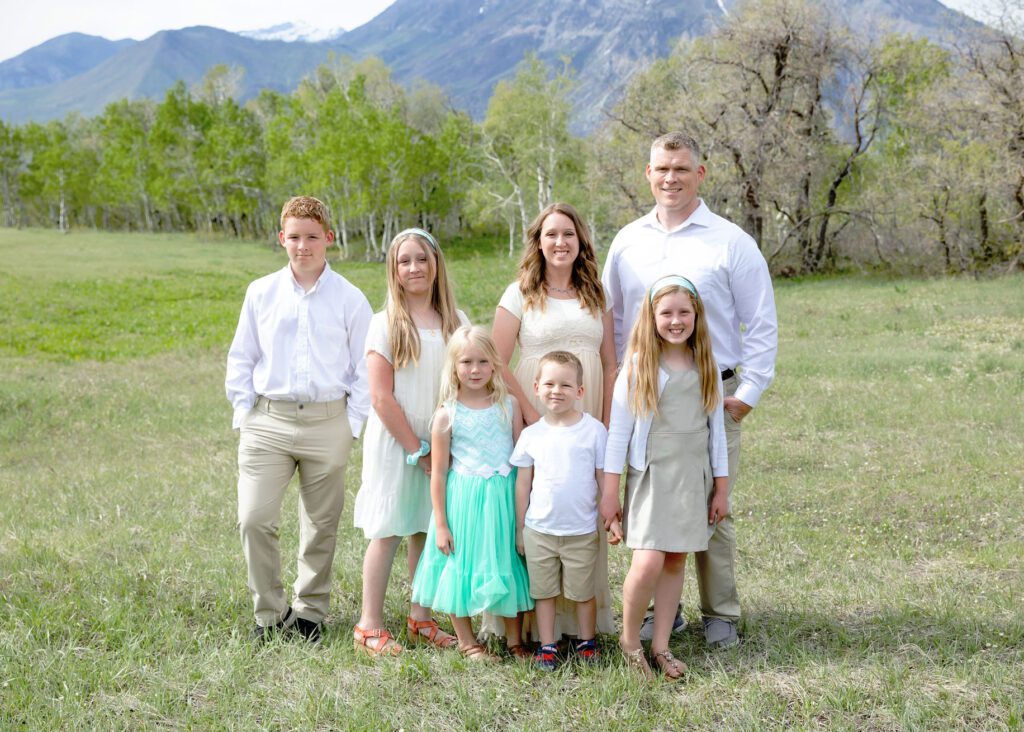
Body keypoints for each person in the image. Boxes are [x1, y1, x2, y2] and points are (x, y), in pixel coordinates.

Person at [601, 132, 778, 650]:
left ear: (700, 173)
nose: (670, 177)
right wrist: (618, 387)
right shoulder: (628, 241)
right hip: (644, 399)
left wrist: (747, 394)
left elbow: (761, 324)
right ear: (648, 174)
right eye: (661, 168)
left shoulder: (729, 241)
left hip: (709, 396)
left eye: (680, 168)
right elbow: (614, 320)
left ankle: (720, 612)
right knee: (651, 505)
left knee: (709, 508)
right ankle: (664, 612)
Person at [226, 195, 371, 643]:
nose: (303, 246)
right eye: (294, 237)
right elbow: (242, 356)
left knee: (321, 523)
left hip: (329, 421)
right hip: (267, 419)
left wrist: (352, 425)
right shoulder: (261, 292)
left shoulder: (350, 298)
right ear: (281, 239)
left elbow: (364, 367)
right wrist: (244, 414)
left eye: (312, 237)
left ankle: (309, 611)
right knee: (254, 519)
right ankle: (269, 614)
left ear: (329, 238)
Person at [491, 201, 617, 640]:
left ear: (580, 240)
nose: (560, 242)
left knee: (580, 501)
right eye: (550, 235)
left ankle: (579, 624)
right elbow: (497, 359)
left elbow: (610, 363)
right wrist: (527, 411)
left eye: (568, 234)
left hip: (588, 402)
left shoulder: (596, 293)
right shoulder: (520, 292)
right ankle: (531, 625)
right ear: (538, 242)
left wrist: (605, 421)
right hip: (534, 402)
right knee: (538, 505)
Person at [602, 276, 729, 679]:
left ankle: (661, 646)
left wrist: (721, 487)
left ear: (696, 316)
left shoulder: (705, 364)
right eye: (666, 313)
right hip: (653, 475)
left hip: (693, 475)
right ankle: (629, 641)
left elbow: (718, 435)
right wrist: (610, 492)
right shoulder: (639, 367)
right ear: (651, 316)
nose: (676, 321)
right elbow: (618, 433)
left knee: (675, 558)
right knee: (649, 559)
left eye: (684, 312)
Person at [351, 228, 470, 656]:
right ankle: (369, 625)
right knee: (389, 529)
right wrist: (417, 450)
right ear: (394, 270)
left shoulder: (456, 322)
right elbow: (381, 397)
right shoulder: (384, 324)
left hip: (443, 443)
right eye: (405, 261)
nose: (414, 268)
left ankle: (420, 618)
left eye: (422, 259)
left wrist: (442, 448)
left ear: (437, 264)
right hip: (397, 441)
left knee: (426, 525)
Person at [410, 326, 534, 661]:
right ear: (453, 367)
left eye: (482, 361)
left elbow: (522, 459)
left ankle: (514, 640)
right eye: (466, 362)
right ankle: (467, 642)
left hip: (503, 498)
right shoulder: (447, 415)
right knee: (459, 565)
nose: (475, 369)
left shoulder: (509, 405)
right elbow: (437, 473)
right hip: (464, 500)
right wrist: (441, 523)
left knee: (508, 561)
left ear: (495, 364)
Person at [511, 351, 607, 671]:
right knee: (544, 592)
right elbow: (523, 485)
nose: (556, 390)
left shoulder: (593, 431)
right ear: (537, 387)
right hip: (540, 530)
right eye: (549, 383)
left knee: (582, 592)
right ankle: (547, 644)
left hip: (580, 529)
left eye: (566, 384)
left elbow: (601, 476)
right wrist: (520, 528)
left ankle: (586, 641)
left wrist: (609, 514)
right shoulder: (532, 434)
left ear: (580, 391)